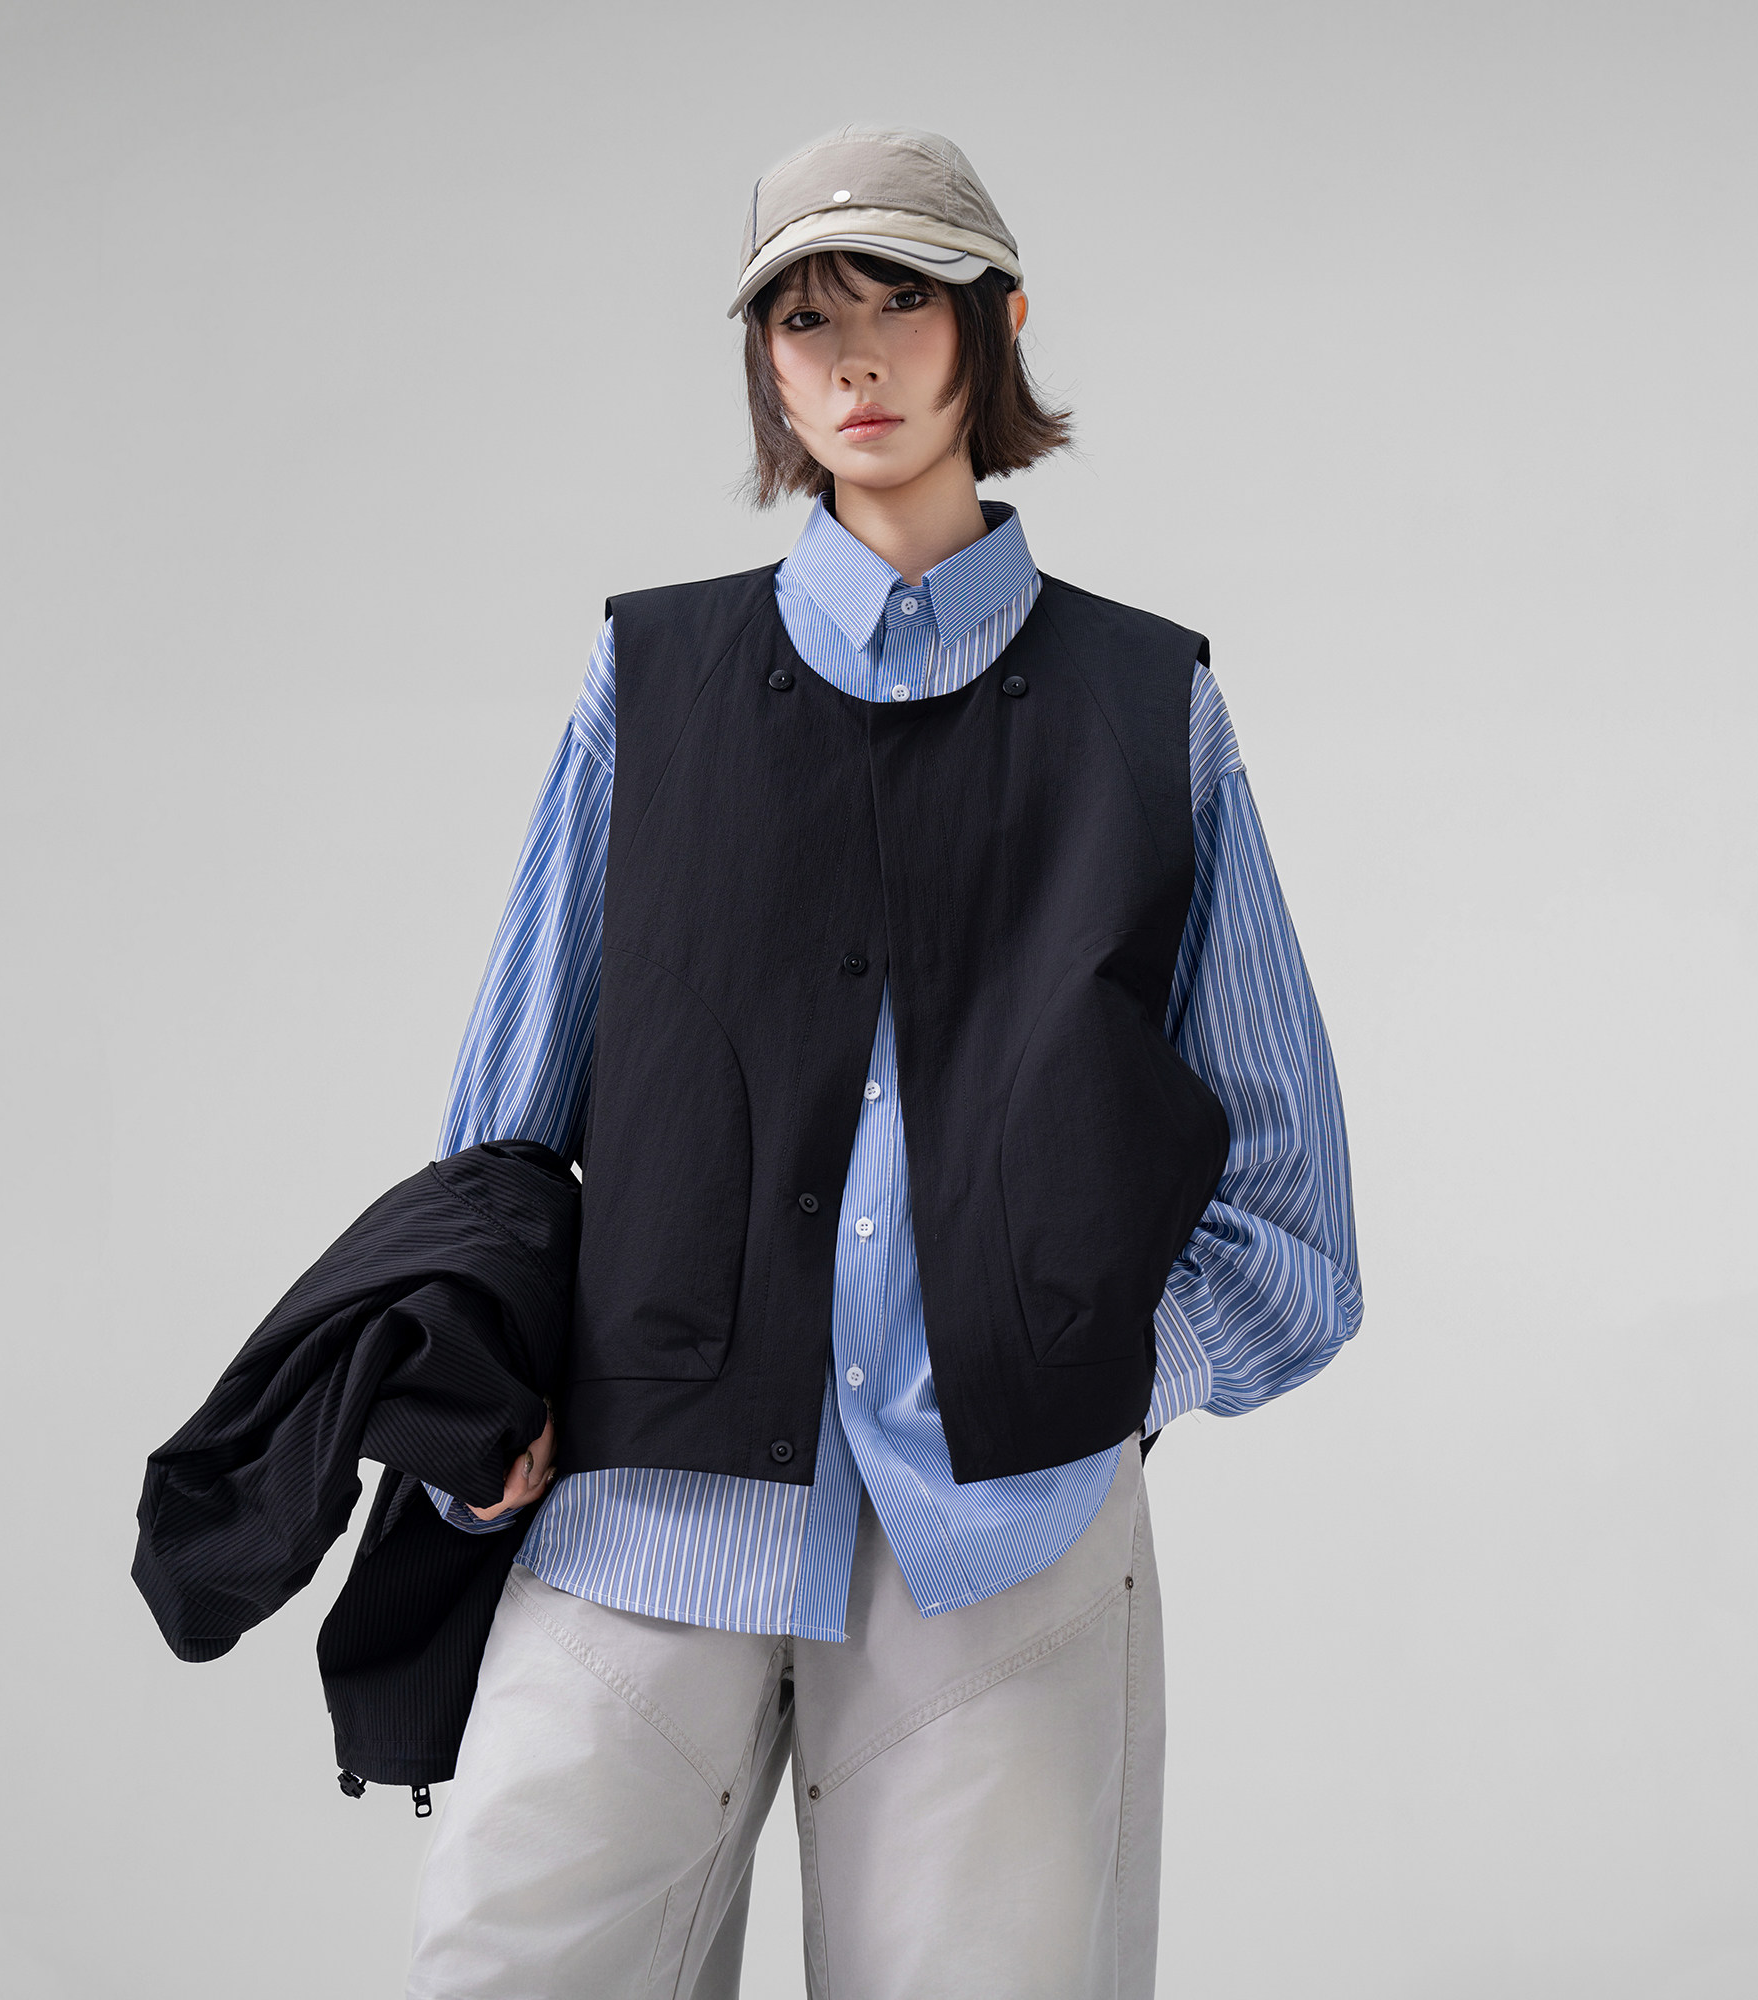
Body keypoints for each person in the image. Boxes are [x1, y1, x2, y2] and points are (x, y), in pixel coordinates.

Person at [405, 125, 1360, 2000]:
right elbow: (502, 1143)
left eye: (900, 303)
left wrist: (1093, 1385)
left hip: (1005, 1548)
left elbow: (1291, 1213)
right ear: (763, 365)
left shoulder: (1146, 709)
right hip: (645, 1511)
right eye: (803, 319)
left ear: (996, 326)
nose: (852, 360)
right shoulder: (651, 685)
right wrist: (470, 1403)